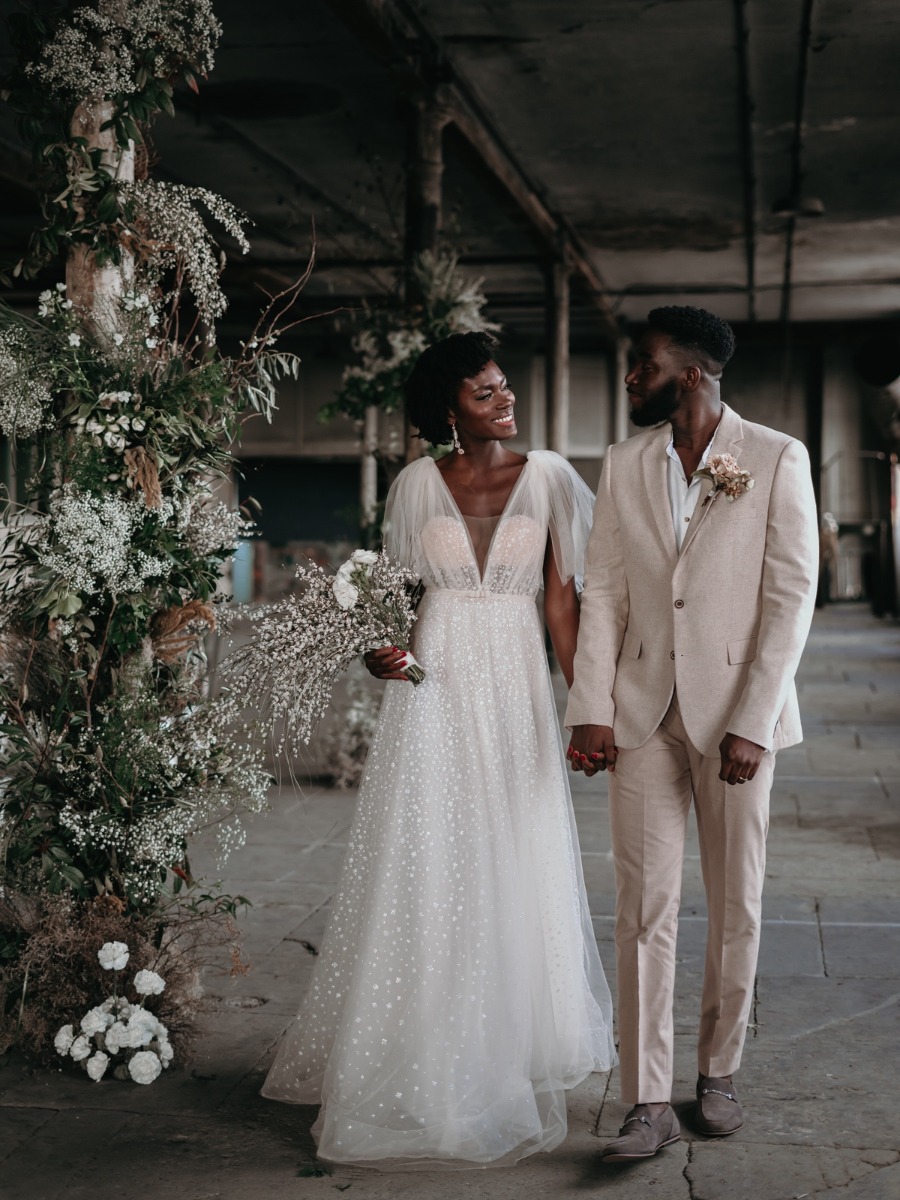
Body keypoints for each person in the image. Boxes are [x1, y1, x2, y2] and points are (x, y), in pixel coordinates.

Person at [262, 331, 616, 1167]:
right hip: (437, 685)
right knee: (430, 855)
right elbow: (394, 601)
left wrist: (587, 709)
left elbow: (562, 605)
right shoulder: (417, 484)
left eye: (505, 385)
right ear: (450, 407)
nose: (505, 400)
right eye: (486, 392)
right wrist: (380, 649)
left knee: (512, 847)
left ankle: (509, 1039)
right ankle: (425, 1040)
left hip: (518, 690)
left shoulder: (553, 475)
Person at [566, 306, 818, 1163]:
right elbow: (602, 590)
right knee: (643, 909)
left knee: (735, 900)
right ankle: (646, 1099)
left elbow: (790, 601)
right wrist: (590, 704)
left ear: (694, 374)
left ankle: (718, 1073)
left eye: (644, 365)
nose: (632, 378)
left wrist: (753, 721)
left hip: (735, 721)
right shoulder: (624, 461)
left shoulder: (777, 457)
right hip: (641, 714)